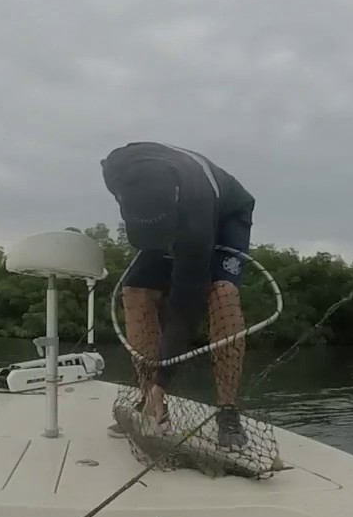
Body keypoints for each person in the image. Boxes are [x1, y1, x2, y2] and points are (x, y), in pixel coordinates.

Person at [100, 142, 254, 449]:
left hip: (224, 214)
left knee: (222, 294)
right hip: (167, 209)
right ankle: (149, 402)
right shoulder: (114, 168)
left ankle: (227, 411)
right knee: (134, 291)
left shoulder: (197, 213)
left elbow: (185, 304)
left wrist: (165, 379)